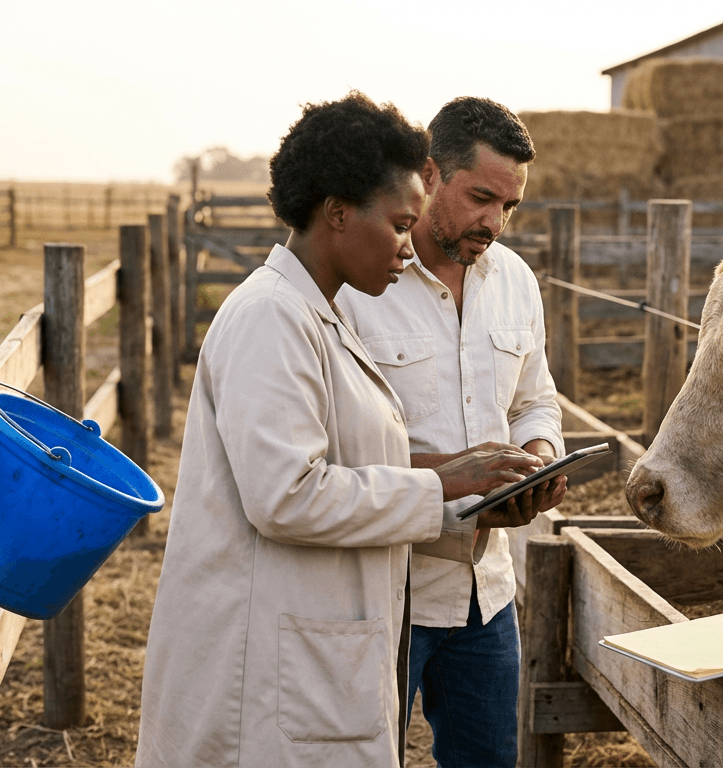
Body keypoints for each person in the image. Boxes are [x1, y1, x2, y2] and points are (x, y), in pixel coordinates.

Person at [134, 92, 545, 768]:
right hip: (264, 654)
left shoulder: (308, 313)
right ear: (337, 212)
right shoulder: (272, 318)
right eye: (398, 223)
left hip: (322, 635)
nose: (406, 246)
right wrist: (440, 484)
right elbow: (286, 495)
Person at [336, 96, 566, 768]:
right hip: (384, 587)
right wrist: (453, 473)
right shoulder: (356, 284)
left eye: (509, 207)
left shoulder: (516, 281)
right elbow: (340, 444)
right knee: (365, 758)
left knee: (489, 760)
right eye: (482, 198)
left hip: (486, 592)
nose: (495, 222)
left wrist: (538, 459)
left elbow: (536, 399)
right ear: (430, 174)